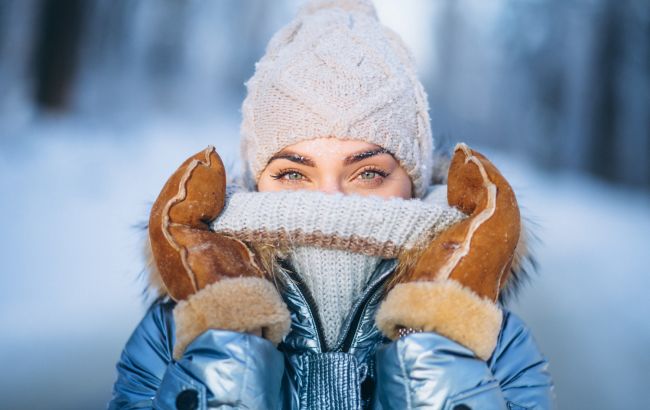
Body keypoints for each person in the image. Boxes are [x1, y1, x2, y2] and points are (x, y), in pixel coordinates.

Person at [108, 1, 555, 409]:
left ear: (414, 183)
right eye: (293, 174)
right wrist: (226, 338)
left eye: (368, 173)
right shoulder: (177, 333)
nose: (330, 203)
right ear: (255, 180)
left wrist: (437, 341)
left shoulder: (491, 341)